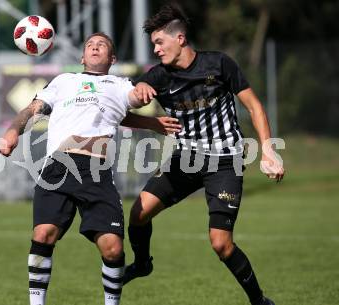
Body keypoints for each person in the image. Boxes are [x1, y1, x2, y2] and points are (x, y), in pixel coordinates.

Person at [120, 4, 285, 305]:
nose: (155, 50)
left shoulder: (218, 64)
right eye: (153, 44)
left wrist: (268, 151)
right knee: (138, 214)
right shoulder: (156, 77)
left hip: (225, 161)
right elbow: (117, 113)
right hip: (185, 159)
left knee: (221, 244)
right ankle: (143, 263)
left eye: (159, 42)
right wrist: (150, 118)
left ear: (180, 38)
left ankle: (259, 301)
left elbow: (254, 106)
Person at [0, 32, 177, 305]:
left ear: (112, 58)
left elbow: (131, 101)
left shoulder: (117, 84)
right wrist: (13, 132)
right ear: (82, 57)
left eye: (101, 45)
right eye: (90, 45)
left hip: (95, 170)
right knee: (43, 234)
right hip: (57, 167)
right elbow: (32, 109)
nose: (94, 47)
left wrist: (143, 97)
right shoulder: (63, 82)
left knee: (113, 248)